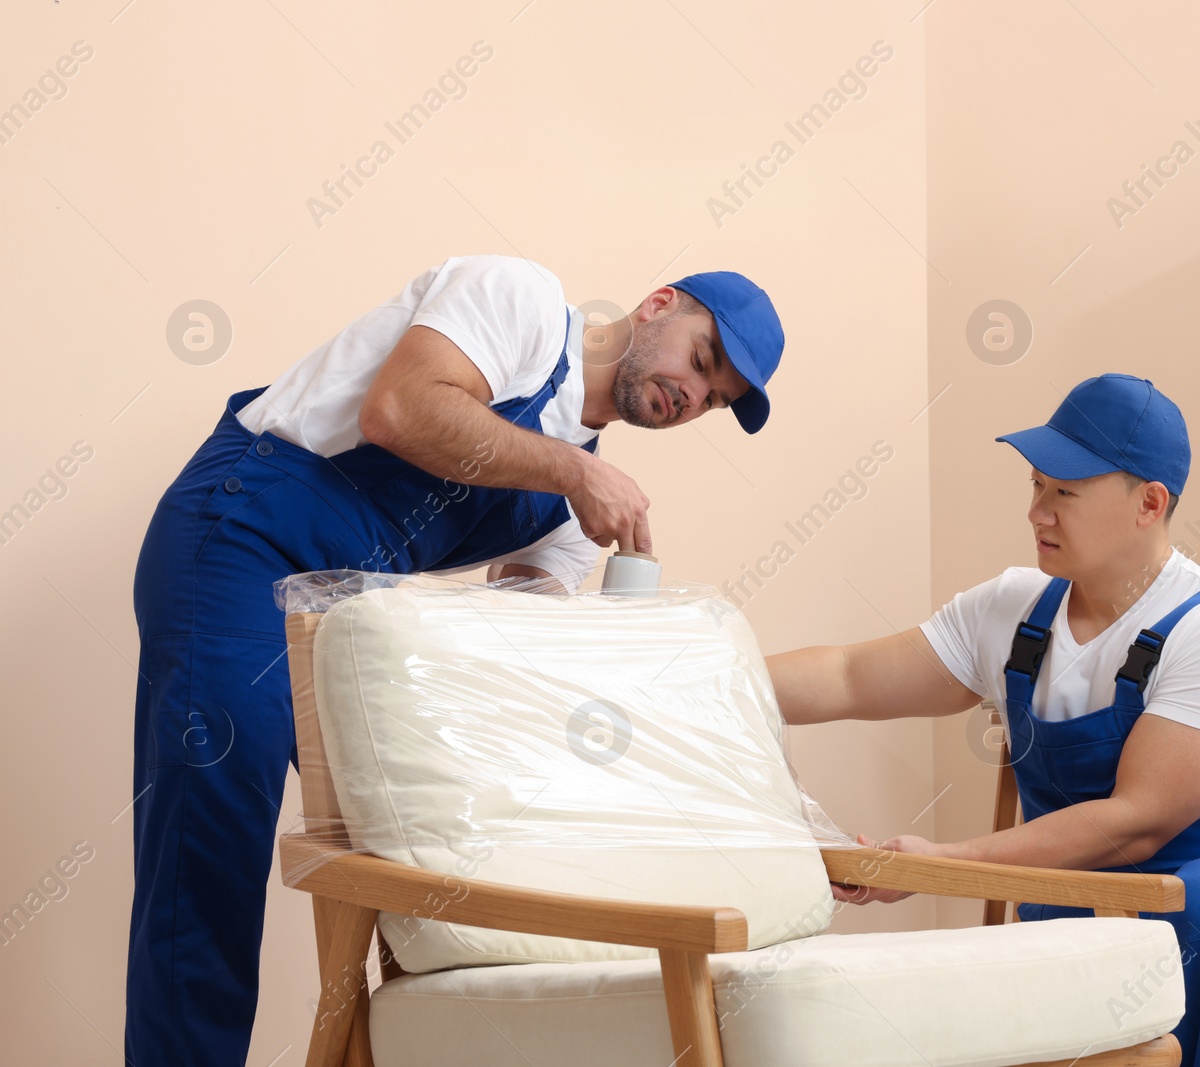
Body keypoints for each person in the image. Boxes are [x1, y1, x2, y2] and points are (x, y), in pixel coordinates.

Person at [125, 254, 784, 1065]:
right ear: (657, 306)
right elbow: (400, 408)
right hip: (242, 540)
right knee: (213, 846)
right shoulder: (525, 304)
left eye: (713, 400)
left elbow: (500, 653)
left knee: (416, 859)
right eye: (705, 360)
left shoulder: (579, 518)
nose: (696, 393)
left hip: (347, 616)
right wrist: (578, 467)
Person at [769, 373, 1200, 1067]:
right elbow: (847, 676)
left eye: (1066, 492)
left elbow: (1133, 820)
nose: (1038, 513)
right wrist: (700, 680)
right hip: (1065, 917)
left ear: (1149, 502)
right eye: (1036, 485)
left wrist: (943, 866)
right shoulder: (1013, 609)